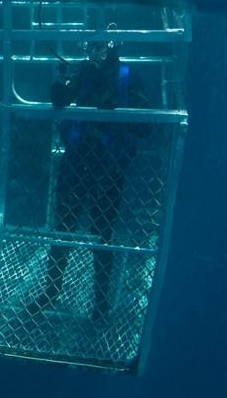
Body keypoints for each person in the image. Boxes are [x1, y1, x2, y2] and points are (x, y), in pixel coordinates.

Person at [31, 41, 147, 320]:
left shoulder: (128, 76)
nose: (94, 54)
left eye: (101, 48)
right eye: (90, 47)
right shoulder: (84, 73)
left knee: (103, 233)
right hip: (77, 162)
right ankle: (52, 289)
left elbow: (146, 127)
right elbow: (59, 100)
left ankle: (101, 299)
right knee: (63, 227)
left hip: (109, 167)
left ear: (114, 49)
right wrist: (61, 82)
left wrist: (114, 115)